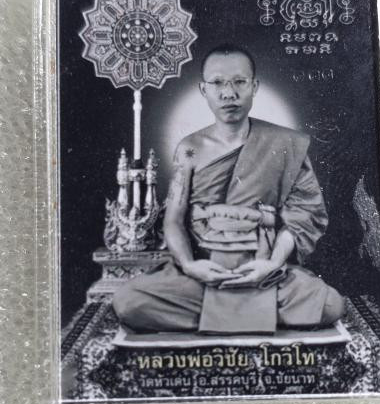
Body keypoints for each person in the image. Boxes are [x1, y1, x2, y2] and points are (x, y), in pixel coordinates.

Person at [113, 44, 345, 334]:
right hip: (204, 273)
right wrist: (189, 265)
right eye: (218, 83)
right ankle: (251, 315)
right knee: (129, 302)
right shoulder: (190, 148)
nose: (229, 93)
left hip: (262, 270)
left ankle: (220, 317)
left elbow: (303, 216)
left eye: (239, 82)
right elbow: (173, 220)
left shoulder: (284, 144)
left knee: (330, 305)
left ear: (254, 86)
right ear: (204, 90)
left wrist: (273, 264)